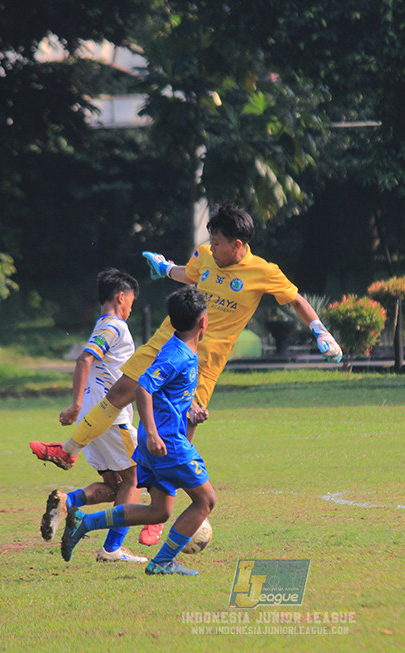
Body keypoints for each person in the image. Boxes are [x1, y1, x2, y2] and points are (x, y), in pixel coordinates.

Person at [31, 202, 342, 470]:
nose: (212, 247)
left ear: (237, 245)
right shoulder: (206, 254)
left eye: (218, 242)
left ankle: (158, 501)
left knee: (182, 433)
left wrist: (319, 329)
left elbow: (296, 300)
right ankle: (68, 452)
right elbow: (190, 273)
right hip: (166, 340)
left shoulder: (264, 272)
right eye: (211, 240)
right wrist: (166, 268)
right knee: (118, 394)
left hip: (202, 361)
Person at [61, 285, 215, 576]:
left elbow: (167, 393)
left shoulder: (181, 350)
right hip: (166, 443)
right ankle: (162, 561)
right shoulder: (177, 355)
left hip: (159, 440)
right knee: (205, 500)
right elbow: (144, 387)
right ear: (203, 322)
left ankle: (87, 523)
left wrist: (191, 411)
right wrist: (155, 434)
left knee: (159, 512)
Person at [33, 268, 151, 564]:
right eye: (130, 304)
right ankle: (111, 549)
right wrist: (73, 405)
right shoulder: (115, 326)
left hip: (95, 418)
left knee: (115, 487)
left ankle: (67, 502)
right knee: (133, 480)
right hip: (111, 417)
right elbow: (85, 358)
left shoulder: (103, 324)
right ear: (120, 297)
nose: (129, 310)